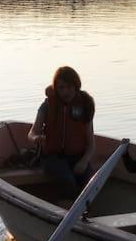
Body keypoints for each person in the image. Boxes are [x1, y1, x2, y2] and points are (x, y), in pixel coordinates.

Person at [28, 66, 96, 198]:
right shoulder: (47, 105)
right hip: (52, 158)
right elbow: (31, 133)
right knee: (67, 181)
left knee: (90, 186)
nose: (66, 92)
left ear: (76, 86)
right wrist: (36, 138)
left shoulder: (85, 105)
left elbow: (91, 144)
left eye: (69, 87)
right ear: (56, 89)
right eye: (61, 88)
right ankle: (65, 212)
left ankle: (85, 214)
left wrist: (84, 161)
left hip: (78, 156)